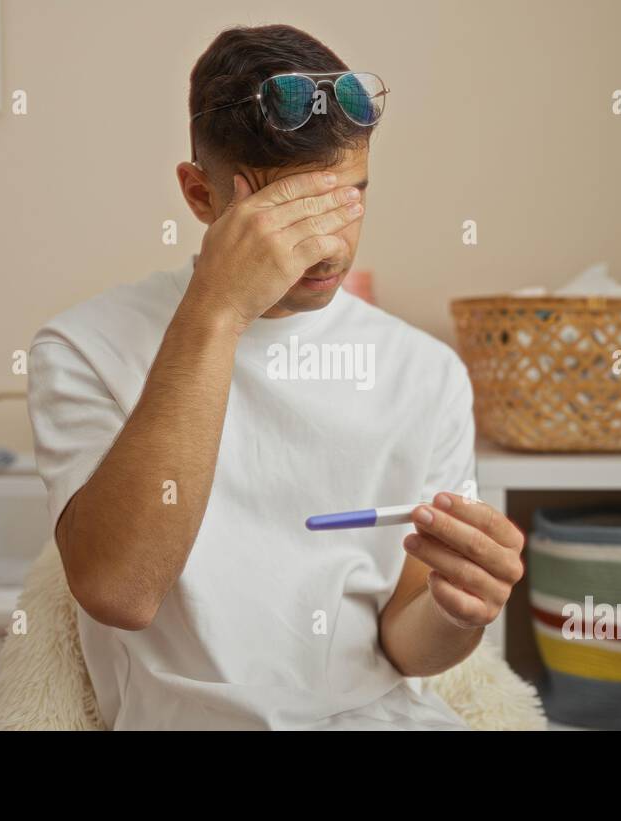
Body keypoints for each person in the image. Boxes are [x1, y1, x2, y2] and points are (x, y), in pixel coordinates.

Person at [27, 23, 524, 730]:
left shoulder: (425, 372)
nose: (329, 246)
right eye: (290, 215)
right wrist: (220, 310)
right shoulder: (84, 348)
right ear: (201, 198)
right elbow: (120, 590)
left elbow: (403, 645)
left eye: (350, 198)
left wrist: (458, 607)